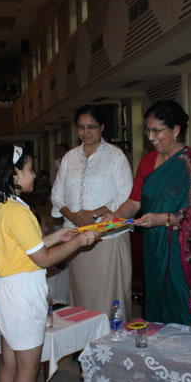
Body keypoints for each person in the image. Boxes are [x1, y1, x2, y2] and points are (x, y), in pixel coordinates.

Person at [0, 144, 99, 382]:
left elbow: (24, 248)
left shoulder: (0, 207)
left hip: (5, 290)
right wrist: (79, 241)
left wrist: (58, 236)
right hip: (22, 295)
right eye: (30, 169)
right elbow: (43, 259)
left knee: (10, 361)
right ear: (14, 174)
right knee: (28, 368)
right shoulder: (19, 213)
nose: (35, 175)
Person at [108, 100, 191, 325]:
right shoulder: (148, 161)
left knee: (180, 302)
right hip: (153, 243)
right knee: (156, 299)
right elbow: (134, 202)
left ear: (176, 130)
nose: (151, 137)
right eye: (148, 131)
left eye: (157, 131)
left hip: (182, 247)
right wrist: (115, 216)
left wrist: (163, 218)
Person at [51, 105, 134, 321]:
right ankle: (84, 337)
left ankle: (111, 337)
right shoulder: (69, 158)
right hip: (76, 236)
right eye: (81, 127)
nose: (86, 132)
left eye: (92, 127)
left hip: (107, 235)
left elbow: (126, 195)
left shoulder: (115, 156)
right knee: (82, 296)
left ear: (102, 127)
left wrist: (94, 215)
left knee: (108, 296)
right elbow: (57, 195)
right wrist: (72, 216)